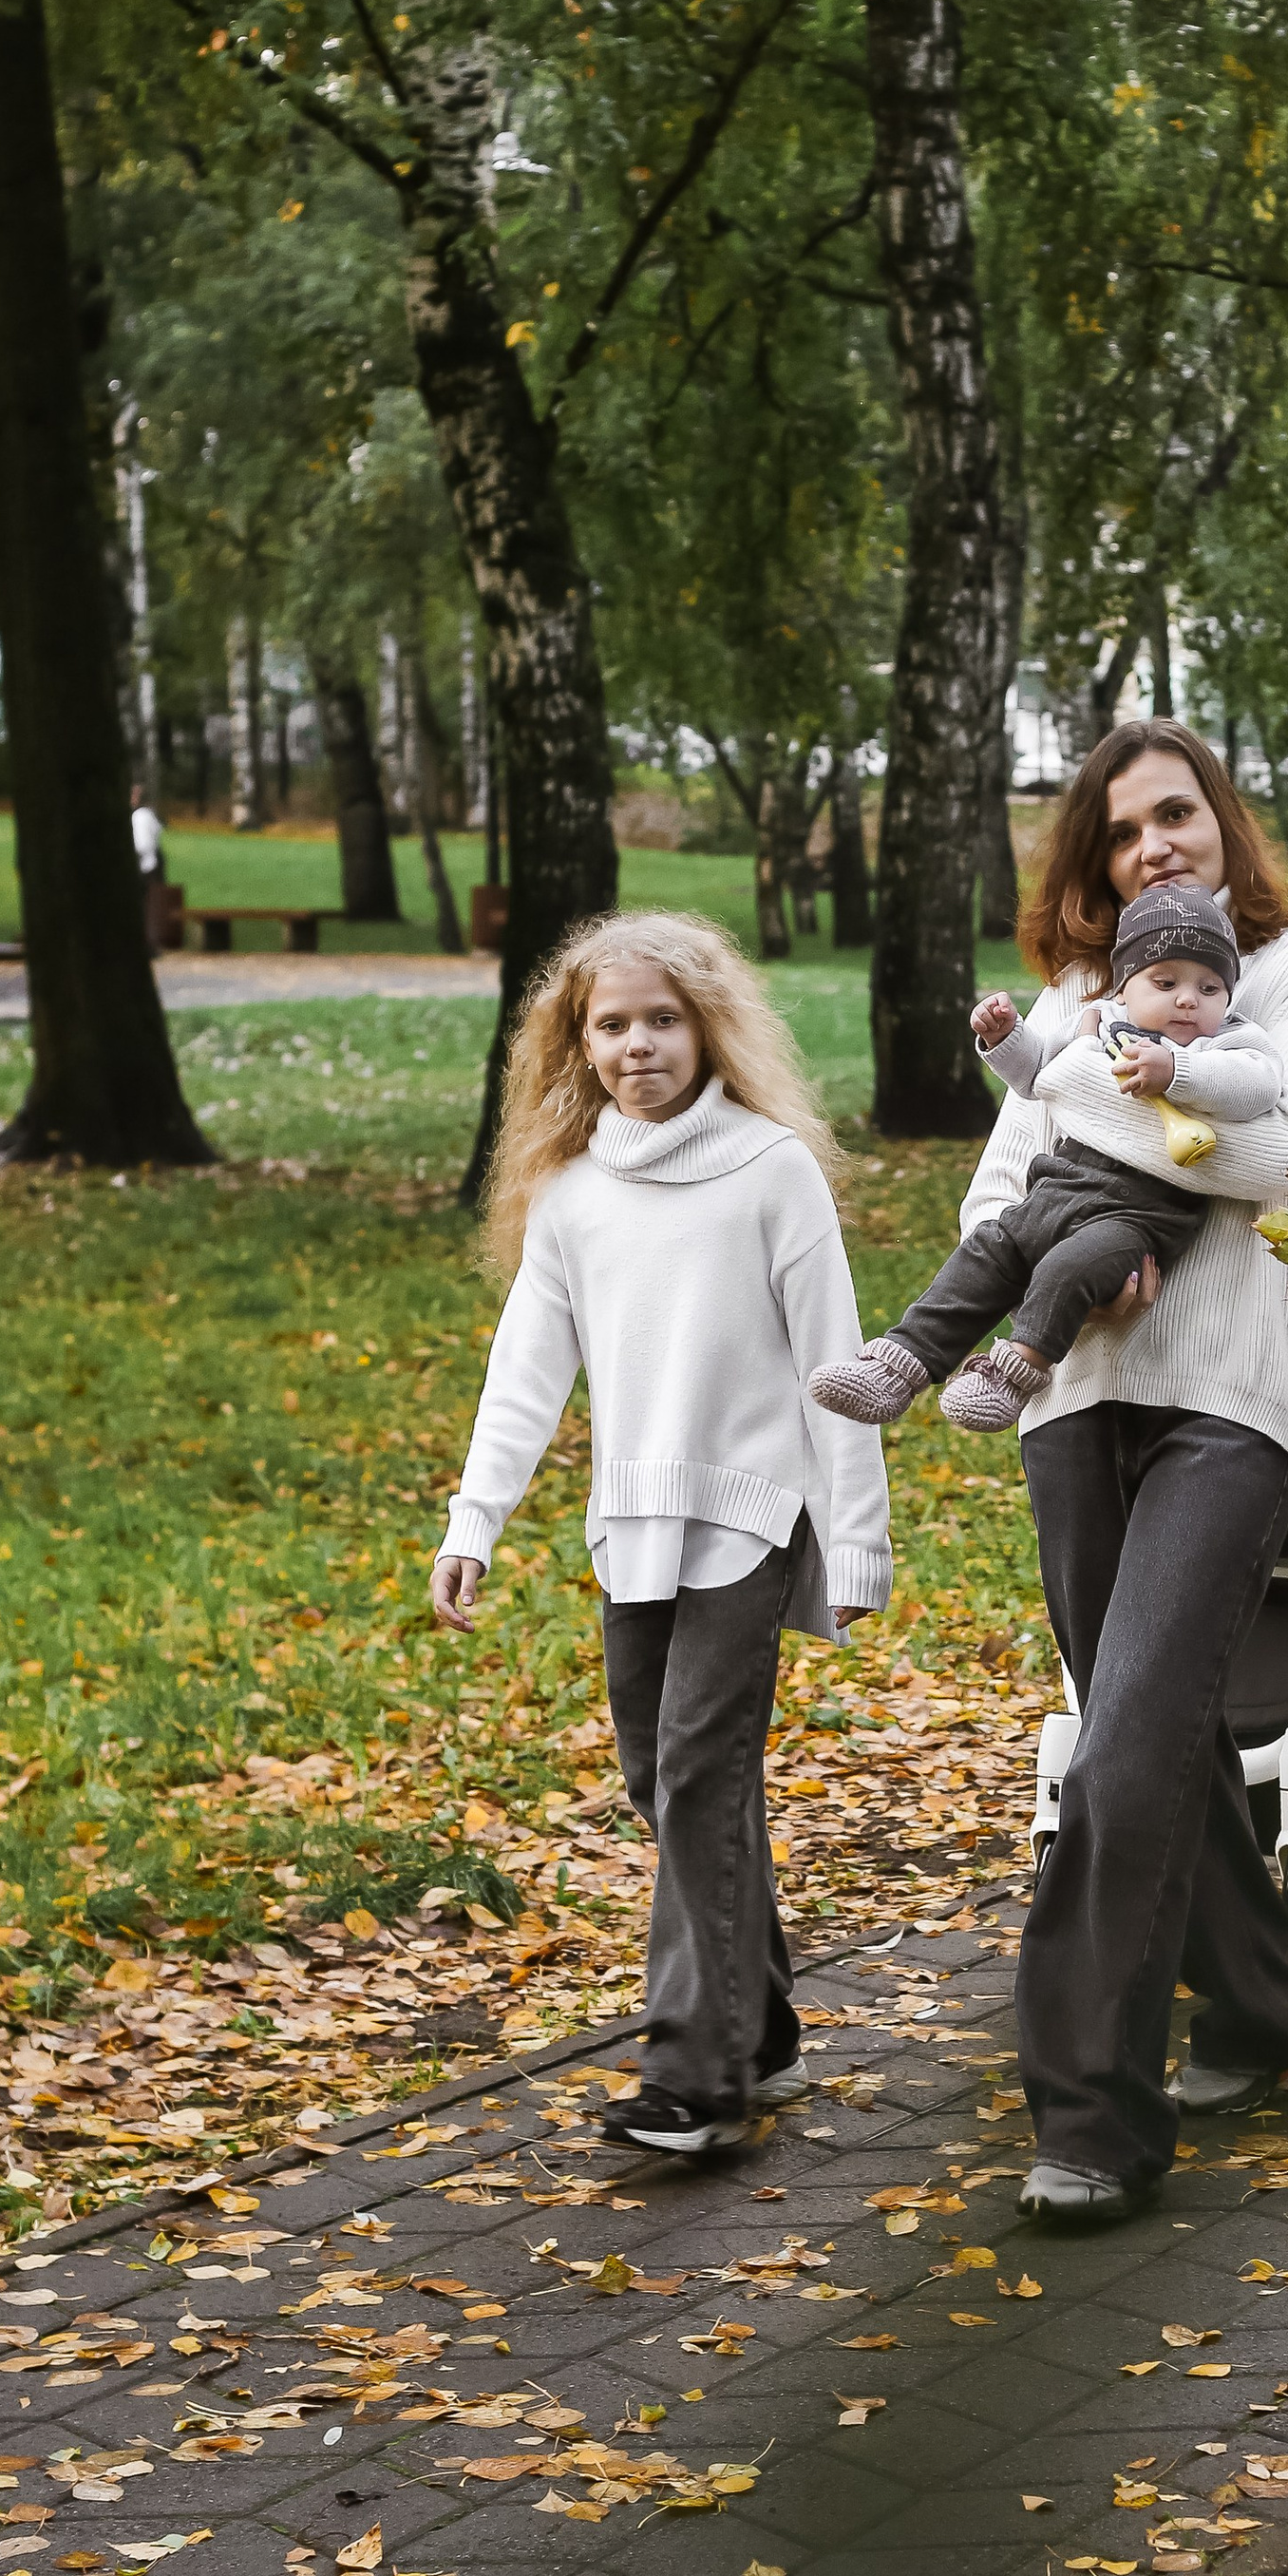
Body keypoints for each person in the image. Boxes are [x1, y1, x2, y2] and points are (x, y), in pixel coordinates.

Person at [959, 719, 1288, 2223]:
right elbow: (998, 1192)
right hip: (1080, 1385)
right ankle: (1269, 2010)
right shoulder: (1073, 1001)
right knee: (1158, 1720)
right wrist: (1074, 1228)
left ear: (1226, 824)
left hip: (1244, 1389)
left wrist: (1115, 1157)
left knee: (1121, 1736)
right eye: (1126, 828)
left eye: (1179, 814)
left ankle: (1092, 2116)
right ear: (1096, 856)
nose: (1157, 845)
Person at [428, 911, 891, 2158]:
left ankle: (696, 2072)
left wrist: (857, 1541)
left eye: (663, 1020)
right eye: (613, 1024)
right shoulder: (573, 1192)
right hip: (631, 1523)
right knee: (661, 1776)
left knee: (697, 1769)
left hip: (754, 1513)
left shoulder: (769, 1167)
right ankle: (767, 2015)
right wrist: (476, 1517)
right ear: (577, 1044)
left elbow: (834, 1362)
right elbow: (528, 1366)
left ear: (707, 1029)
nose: (640, 1045)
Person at [809, 885, 1284, 1434]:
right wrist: (1006, 1039)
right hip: (1057, 1188)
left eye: (1210, 987)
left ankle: (1012, 1376)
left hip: (1137, 1218)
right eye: (1166, 982)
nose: (1188, 1000)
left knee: (1068, 1267)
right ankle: (901, 1365)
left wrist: (1177, 1070)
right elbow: (1039, 1076)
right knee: (989, 1251)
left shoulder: (1228, 1041)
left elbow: (1257, 1086)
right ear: (1125, 986)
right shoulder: (1099, 1023)